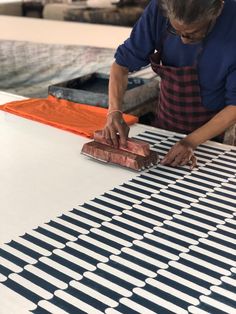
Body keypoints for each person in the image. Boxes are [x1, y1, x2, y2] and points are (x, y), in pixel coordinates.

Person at [102, 0, 236, 168]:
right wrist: (114, 111)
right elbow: (121, 65)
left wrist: (190, 142)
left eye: (193, 33)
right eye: (176, 31)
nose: (184, 41)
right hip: (167, 121)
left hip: (215, 133)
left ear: (218, 10)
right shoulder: (159, 8)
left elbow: (234, 106)